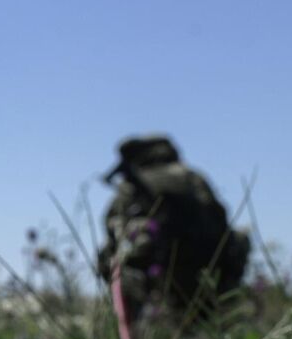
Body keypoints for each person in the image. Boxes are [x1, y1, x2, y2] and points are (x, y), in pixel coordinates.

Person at [97, 135, 251, 321]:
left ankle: (131, 323)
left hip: (157, 286)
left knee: (108, 255)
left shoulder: (133, 184)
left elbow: (113, 229)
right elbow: (221, 218)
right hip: (209, 276)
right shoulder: (192, 177)